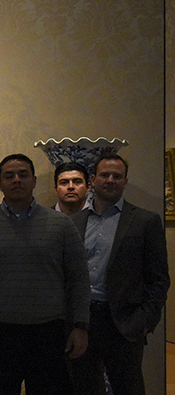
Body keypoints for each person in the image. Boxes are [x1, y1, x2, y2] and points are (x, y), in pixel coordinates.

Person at [0, 154, 90, 395]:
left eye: (23, 175)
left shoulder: (61, 225)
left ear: (34, 181)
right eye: (9, 176)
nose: (16, 180)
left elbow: (79, 279)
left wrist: (80, 326)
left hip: (48, 334)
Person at [69, 154, 170, 395]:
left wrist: (144, 321)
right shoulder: (73, 222)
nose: (111, 180)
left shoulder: (146, 221)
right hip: (82, 322)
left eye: (117, 176)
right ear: (93, 180)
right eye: (105, 175)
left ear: (125, 182)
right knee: (83, 388)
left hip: (124, 324)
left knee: (129, 388)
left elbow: (159, 279)